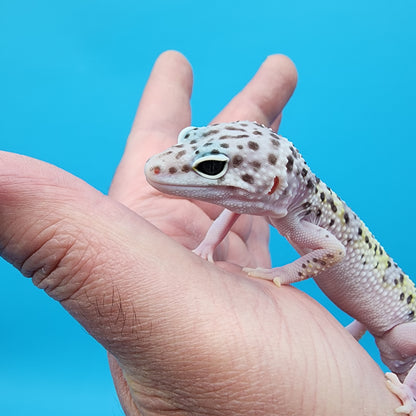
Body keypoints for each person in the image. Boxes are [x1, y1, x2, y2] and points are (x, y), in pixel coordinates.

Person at [0, 51, 400, 415]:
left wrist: (282, 274)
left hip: (402, 321)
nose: (160, 167)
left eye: (210, 167)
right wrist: (208, 242)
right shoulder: (279, 201)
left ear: (274, 185)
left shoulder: (303, 219)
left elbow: (331, 252)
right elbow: (234, 205)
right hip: (370, 315)